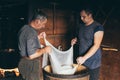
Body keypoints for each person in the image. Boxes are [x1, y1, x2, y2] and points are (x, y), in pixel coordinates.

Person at [71, 8, 104, 80]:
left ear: (90, 15)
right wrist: (75, 40)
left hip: (93, 61)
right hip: (81, 59)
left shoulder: (98, 27)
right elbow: (81, 39)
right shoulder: (81, 26)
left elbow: (96, 45)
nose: (81, 18)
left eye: (84, 16)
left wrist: (84, 58)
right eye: (80, 17)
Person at [18, 10, 51, 80]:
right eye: (43, 23)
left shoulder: (25, 28)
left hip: (23, 63)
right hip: (30, 65)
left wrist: (37, 37)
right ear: (37, 21)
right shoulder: (31, 33)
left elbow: (26, 41)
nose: (43, 26)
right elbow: (32, 55)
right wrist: (45, 50)